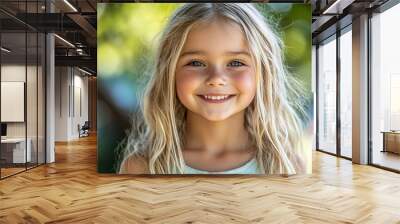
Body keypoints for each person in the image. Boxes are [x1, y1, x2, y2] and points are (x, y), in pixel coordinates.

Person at [118, 3, 306, 175]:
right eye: (196, 62)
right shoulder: (140, 167)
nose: (216, 79)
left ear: (263, 73)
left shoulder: (286, 166)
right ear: (170, 72)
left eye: (236, 62)